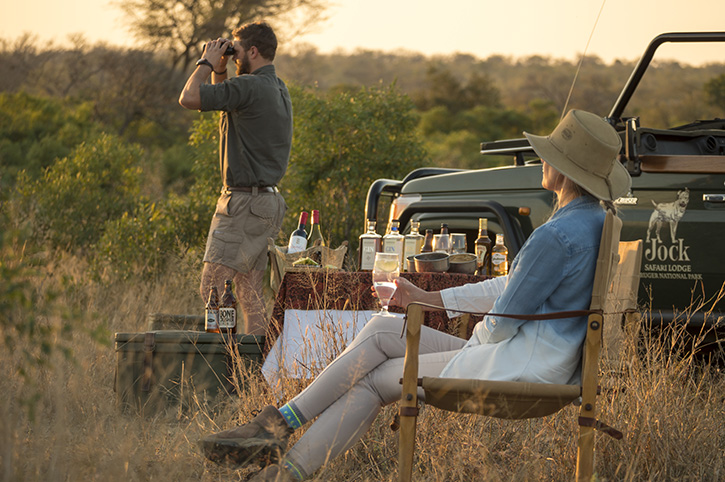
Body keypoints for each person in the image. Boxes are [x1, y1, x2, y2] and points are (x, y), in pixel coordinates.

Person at [198, 110, 632, 481]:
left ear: (566, 171)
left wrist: (472, 340)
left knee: (372, 382)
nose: (542, 159)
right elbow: (510, 288)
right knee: (387, 327)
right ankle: (275, 430)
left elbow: (505, 320)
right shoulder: (593, 221)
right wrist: (427, 300)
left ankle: (279, 461)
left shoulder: (556, 235)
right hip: (541, 359)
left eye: (550, 155)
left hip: (518, 367)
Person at [179, 21, 293, 336]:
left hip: (242, 203)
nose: (234, 56)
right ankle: (251, 375)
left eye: (237, 51)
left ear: (252, 51)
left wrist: (205, 62)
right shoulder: (275, 87)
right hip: (266, 203)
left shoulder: (250, 87)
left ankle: (221, 371)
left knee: (212, 288)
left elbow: (189, 98)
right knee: (249, 292)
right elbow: (225, 99)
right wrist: (221, 69)